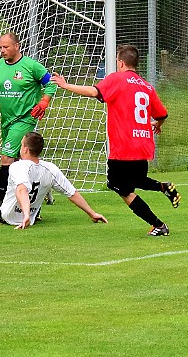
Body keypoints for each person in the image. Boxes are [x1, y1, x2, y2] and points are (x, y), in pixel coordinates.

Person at [52, 44, 181, 236]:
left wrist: (66, 85)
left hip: (123, 146)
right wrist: (158, 124)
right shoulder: (146, 86)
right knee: (137, 179)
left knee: (119, 186)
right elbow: (162, 114)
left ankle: (158, 225)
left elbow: (94, 92)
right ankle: (163, 187)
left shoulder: (117, 79)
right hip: (143, 144)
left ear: (120, 62)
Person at [0, 132, 108, 228]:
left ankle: (21, 215)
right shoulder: (50, 168)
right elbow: (72, 193)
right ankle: (30, 215)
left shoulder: (17, 166)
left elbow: (21, 190)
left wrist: (25, 215)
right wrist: (92, 213)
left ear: (25, 149)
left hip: (8, 216)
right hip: (31, 217)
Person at [0, 32, 57, 206]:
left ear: (17, 46)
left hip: (25, 119)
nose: (2, 50)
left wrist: (44, 102)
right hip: (6, 120)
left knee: (6, 158)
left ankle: (1, 199)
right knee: (21, 161)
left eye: (6, 47)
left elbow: (52, 82)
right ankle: (44, 188)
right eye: (0, 47)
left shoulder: (31, 66)